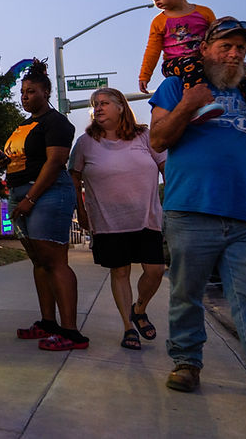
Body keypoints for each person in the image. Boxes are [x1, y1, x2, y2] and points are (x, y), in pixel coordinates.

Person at [149, 17, 246, 421]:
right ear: (205, 49)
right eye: (226, 47)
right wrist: (187, 105)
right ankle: (187, 362)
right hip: (190, 209)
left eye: (241, 50)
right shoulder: (178, 86)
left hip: (245, 215)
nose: (234, 55)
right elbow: (158, 139)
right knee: (185, 295)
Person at [0, 59, 86, 351]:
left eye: (31, 92)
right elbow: (26, 158)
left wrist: (31, 198)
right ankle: (49, 323)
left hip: (47, 193)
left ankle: (71, 332)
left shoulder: (56, 122)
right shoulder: (24, 125)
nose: (25, 97)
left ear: (46, 92)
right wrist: (4, 162)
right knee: (39, 261)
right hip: (22, 191)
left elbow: (56, 161)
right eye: (22, 92)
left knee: (55, 261)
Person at [69, 88, 166, 351]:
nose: (97, 108)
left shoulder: (144, 136)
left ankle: (140, 308)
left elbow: (166, 168)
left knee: (155, 270)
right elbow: (74, 177)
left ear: (121, 106)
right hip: (109, 219)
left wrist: (173, 201)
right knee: (120, 271)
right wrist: (81, 211)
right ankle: (127, 326)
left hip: (146, 216)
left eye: (103, 103)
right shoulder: (86, 142)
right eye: (94, 105)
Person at [138, 0, 246, 129]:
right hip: (174, 64)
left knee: (243, 68)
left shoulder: (204, 13)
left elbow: (216, 38)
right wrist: (145, 75)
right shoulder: (159, 22)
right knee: (191, 64)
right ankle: (199, 106)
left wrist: (223, 56)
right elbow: (152, 49)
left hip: (204, 61)